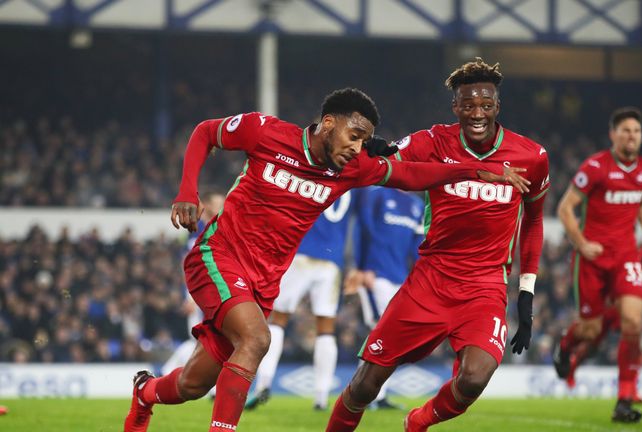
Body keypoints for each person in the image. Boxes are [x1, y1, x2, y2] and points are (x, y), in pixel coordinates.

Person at [123, 87, 527, 432]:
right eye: (353, 135)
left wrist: (472, 171)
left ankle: (145, 392)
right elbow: (205, 133)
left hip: (263, 281)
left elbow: (411, 176)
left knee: (192, 385)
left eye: (363, 141)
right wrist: (187, 191)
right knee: (258, 339)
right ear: (328, 124)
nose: (356, 148)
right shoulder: (265, 132)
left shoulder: (351, 169)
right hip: (218, 255)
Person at [325, 59, 550, 431]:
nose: (477, 113)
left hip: (485, 287)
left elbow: (535, 220)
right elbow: (387, 158)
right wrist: (372, 148)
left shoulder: (531, 157)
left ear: (497, 106)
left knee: (475, 377)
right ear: (455, 107)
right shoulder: (431, 142)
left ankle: (418, 421)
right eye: (468, 105)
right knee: (366, 383)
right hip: (430, 281)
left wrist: (526, 292)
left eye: (486, 105)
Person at [553, 107, 642, 423]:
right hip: (592, 259)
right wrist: (581, 243)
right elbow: (565, 209)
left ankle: (624, 399)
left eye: (636, 131)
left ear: (641, 136)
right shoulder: (595, 167)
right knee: (590, 330)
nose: (631, 136)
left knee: (633, 324)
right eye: (625, 130)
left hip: (627, 257)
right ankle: (566, 346)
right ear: (613, 135)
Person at [248, 190, 357, 411]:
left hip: (301, 250)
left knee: (277, 320)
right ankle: (321, 397)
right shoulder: (354, 183)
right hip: (332, 259)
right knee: (326, 329)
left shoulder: (313, 167)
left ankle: (263, 385)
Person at [346, 186, 425, 410]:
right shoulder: (377, 193)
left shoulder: (417, 205)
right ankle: (364, 393)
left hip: (400, 279)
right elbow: (363, 228)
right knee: (380, 331)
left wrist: (419, 279)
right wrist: (362, 267)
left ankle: (375, 395)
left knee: (390, 338)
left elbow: (418, 248)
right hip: (375, 275)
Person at [162, 192, 225, 378]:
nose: (221, 206)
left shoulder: (213, 228)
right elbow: (189, 265)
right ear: (206, 205)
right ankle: (167, 371)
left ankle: (174, 373)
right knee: (201, 338)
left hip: (211, 291)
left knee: (210, 337)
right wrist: (189, 296)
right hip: (199, 293)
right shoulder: (198, 230)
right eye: (217, 203)